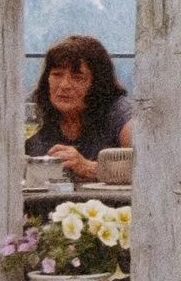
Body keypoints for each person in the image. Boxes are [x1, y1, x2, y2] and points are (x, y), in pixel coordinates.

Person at [26, 35, 133, 183]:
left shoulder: (118, 110)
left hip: (108, 205)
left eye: (77, 77)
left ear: (97, 84)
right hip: (37, 204)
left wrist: (89, 167)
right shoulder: (30, 109)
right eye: (57, 75)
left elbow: (150, 166)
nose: (64, 85)